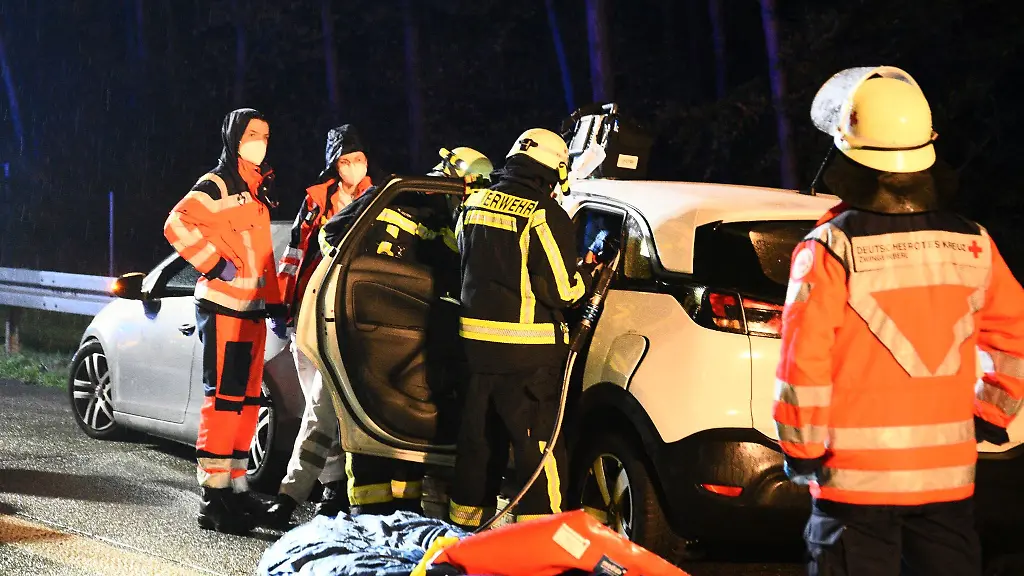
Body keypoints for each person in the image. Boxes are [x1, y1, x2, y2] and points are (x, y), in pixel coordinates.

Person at [774, 66, 1024, 575]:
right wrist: (990, 415)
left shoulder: (829, 248)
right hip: (947, 484)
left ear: (847, 152)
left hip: (854, 490)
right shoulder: (974, 242)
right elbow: (1014, 338)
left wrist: (802, 450)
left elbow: (804, 363)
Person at [315, 146, 494, 517]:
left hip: (388, 324)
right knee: (384, 420)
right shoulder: (418, 207)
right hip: (384, 323)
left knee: (392, 420)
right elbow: (332, 236)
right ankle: (378, 513)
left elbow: (332, 236)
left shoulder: (397, 196)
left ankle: (391, 510)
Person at [447, 129, 593, 530]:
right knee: (537, 450)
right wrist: (589, 274)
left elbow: (464, 259)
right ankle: (543, 541)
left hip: (476, 352)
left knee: (478, 446)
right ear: (556, 169)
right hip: (527, 357)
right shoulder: (542, 213)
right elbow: (564, 290)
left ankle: (464, 537)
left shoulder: (473, 203)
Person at [163, 108, 284, 535]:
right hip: (223, 308)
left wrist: (275, 303)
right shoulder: (217, 184)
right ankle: (213, 498)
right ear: (234, 138)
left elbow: (263, 258)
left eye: (265, 135)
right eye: (252, 134)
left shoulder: (257, 190)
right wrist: (214, 265)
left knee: (248, 403)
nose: (260, 141)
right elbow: (175, 224)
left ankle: (235, 487)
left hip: (250, 312)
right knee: (224, 402)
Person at [264, 124, 374, 528]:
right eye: (346, 160)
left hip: (346, 317)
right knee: (318, 405)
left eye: (358, 158)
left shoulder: (376, 199)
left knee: (320, 407)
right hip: (308, 311)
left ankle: (307, 494)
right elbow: (295, 251)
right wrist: (281, 303)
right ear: (334, 164)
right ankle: (330, 489)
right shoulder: (315, 200)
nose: (353, 166)